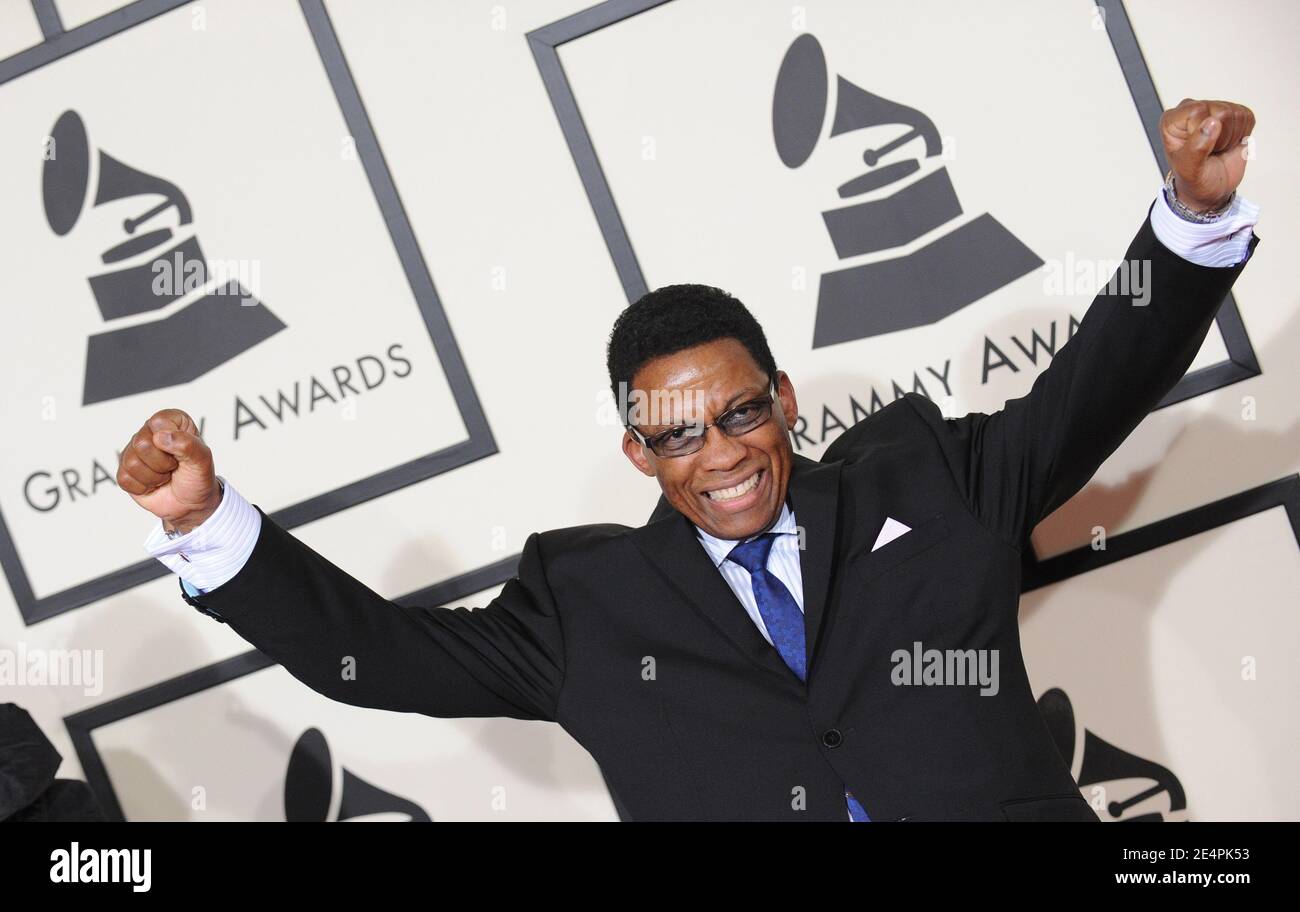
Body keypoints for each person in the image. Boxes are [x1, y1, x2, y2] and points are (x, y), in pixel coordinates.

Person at [117, 99, 1260, 821]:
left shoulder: (924, 480)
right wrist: (207, 521)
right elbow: (374, 658)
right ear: (637, 451)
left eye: (738, 414)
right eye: (675, 434)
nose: (719, 455)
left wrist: (1189, 220)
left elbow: (1095, 386)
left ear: (782, 399)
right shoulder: (586, 605)